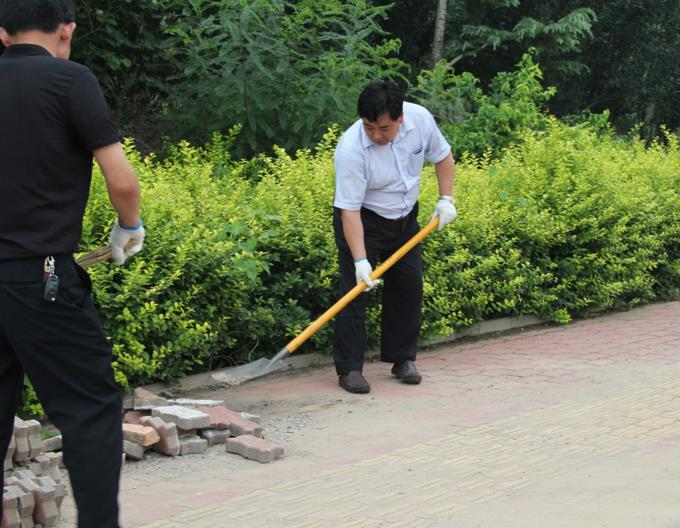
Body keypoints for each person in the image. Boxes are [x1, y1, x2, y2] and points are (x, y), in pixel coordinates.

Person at [0, 1, 144, 526]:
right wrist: (128, 227)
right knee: (90, 410)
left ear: (2, 33)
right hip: (41, 277)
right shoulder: (70, 80)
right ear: (67, 30)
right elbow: (122, 181)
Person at [332, 79, 457, 394]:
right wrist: (361, 261)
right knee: (354, 292)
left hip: (404, 217)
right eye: (369, 127)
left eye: (384, 128)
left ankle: (402, 359)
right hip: (364, 219)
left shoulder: (420, 120)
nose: (376, 135)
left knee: (408, 286)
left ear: (400, 118)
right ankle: (350, 369)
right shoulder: (350, 149)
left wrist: (446, 199)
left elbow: (443, 157)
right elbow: (349, 211)